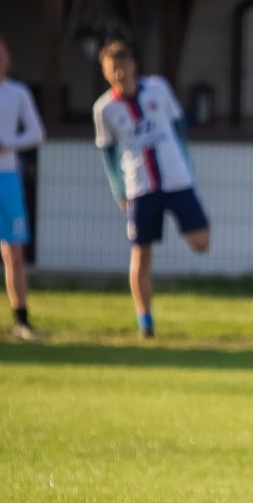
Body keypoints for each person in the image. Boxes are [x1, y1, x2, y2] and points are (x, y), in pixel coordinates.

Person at [92, 41, 209, 339]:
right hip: (140, 187)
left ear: (134, 66)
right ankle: (145, 321)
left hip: (177, 180)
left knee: (201, 242)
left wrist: (186, 164)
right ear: (105, 74)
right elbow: (107, 154)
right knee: (141, 254)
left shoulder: (158, 89)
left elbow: (179, 127)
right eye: (112, 69)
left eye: (123, 65)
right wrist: (119, 190)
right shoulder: (104, 109)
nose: (120, 73)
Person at [0, 33, 44, 341]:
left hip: (7, 177)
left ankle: (21, 318)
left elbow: (37, 132)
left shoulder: (17, 93)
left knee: (13, 250)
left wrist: (5, 144)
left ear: (8, 59)